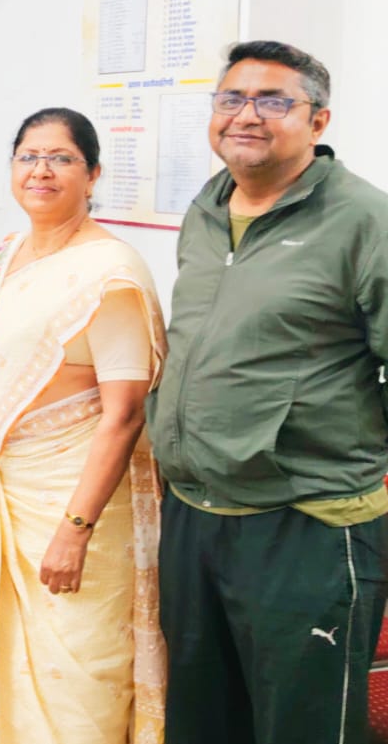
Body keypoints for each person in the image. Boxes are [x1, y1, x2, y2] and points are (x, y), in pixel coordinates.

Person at [147, 40, 388, 743]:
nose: (247, 115)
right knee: (202, 719)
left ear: (319, 121)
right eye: (232, 98)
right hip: (194, 512)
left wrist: (339, 449)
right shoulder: (207, 208)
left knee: (300, 726)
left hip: (306, 521)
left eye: (274, 100)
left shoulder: (363, 220)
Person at [0, 108, 167, 743]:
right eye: (28, 157)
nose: (41, 171)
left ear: (93, 174)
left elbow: (125, 413)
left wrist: (74, 531)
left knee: (76, 677)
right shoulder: (4, 257)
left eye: (61, 158)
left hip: (73, 501)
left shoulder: (111, 272)